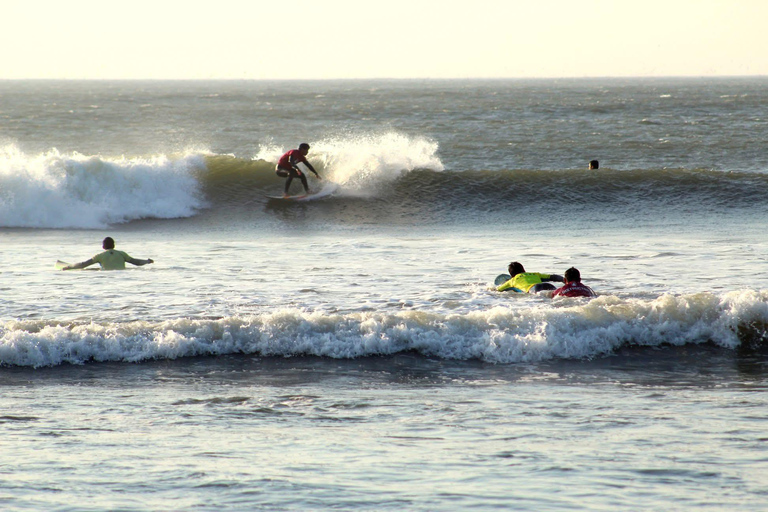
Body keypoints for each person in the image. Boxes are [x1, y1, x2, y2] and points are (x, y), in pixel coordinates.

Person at [61, 237, 154, 271]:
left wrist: (68, 267)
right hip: (122, 275)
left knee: (90, 270)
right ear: (114, 245)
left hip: (105, 277)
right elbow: (136, 262)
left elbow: (84, 265)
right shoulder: (122, 254)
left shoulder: (100, 256)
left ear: (103, 247)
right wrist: (147, 261)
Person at [496, 262, 564, 294]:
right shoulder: (535, 274)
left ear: (512, 275)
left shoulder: (512, 281)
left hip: (534, 289)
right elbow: (553, 277)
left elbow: (498, 290)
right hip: (548, 285)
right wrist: (564, 280)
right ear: (524, 270)